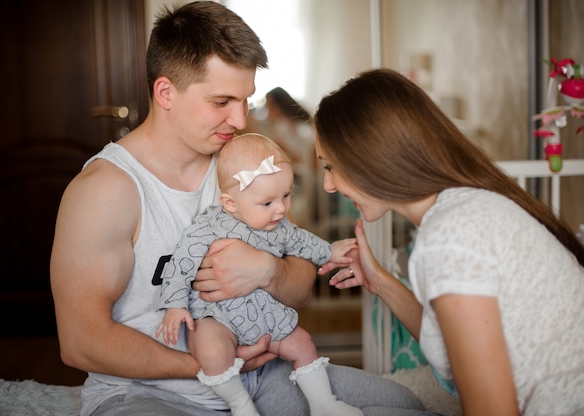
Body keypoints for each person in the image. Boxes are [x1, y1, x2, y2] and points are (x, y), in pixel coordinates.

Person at [50, 2, 434, 415]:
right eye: (222, 102)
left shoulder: (242, 165)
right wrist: (208, 366)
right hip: (149, 392)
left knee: (404, 405)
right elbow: (81, 343)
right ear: (165, 93)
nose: (239, 119)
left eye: (245, 100)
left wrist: (268, 270)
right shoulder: (105, 191)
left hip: (259, 377)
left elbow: (302, 285)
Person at [314, 68, 584, 415]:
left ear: (370, 156)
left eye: (330, 167)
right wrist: (379, 281)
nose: (328, 186)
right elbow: (446, 341)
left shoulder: (451, 235)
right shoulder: (460, 210)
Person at [155, 133, 362, 416]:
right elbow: (182, 264)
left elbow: (302, 241)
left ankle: (323, 402)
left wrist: (330, 251)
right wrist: (175, 306)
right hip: (218, 318)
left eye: (286, 196)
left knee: (302, 343)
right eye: (268, 203)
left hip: (266, 316)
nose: (281, 209)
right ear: (230, 203)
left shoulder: (279, 226)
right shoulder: (209, 226)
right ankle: (240, 404)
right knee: (212, 351)